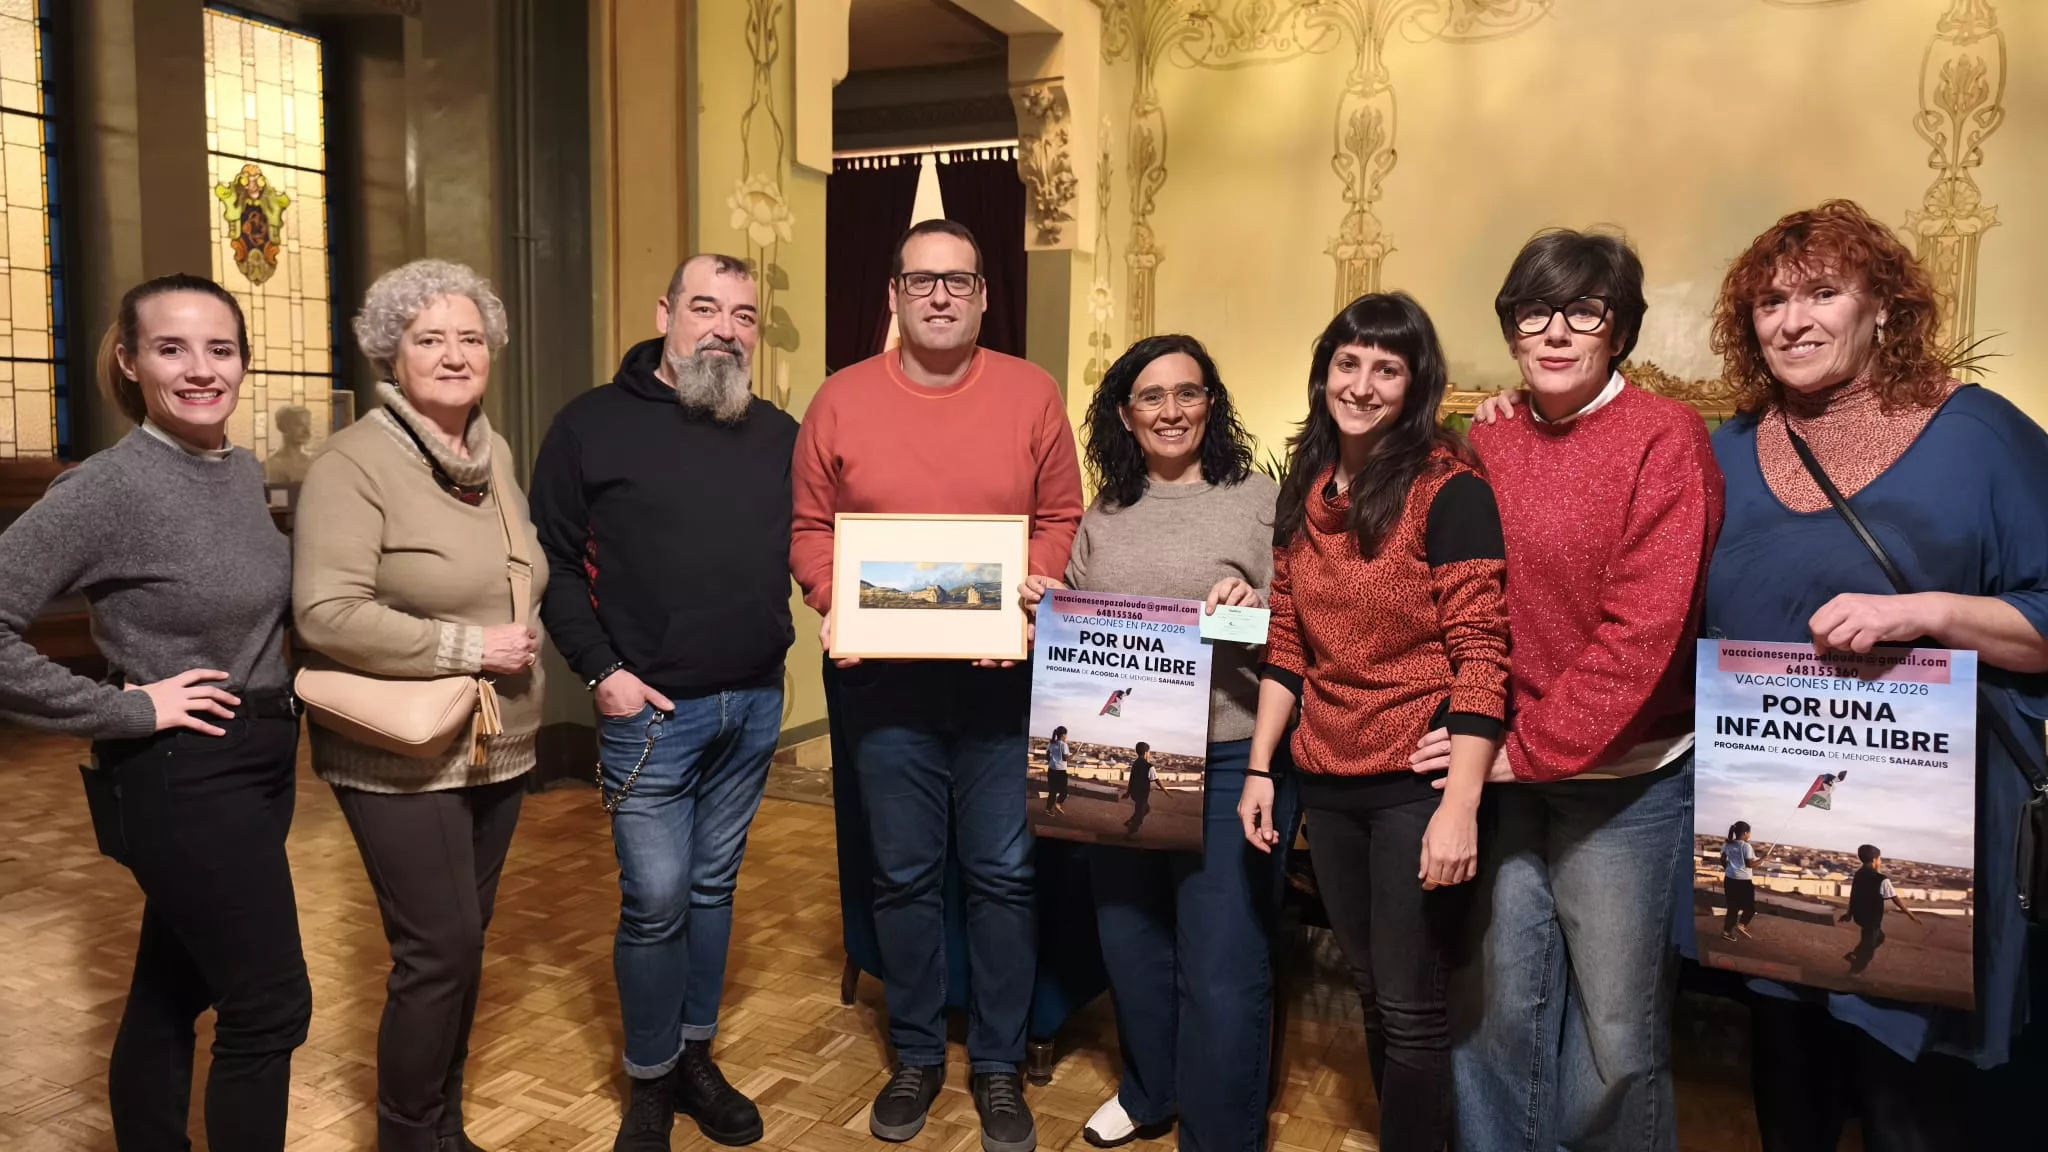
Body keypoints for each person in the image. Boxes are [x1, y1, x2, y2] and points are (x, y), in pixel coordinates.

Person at [1696, 198, 2048, 1148]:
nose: (1794, 320)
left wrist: (1923, 614)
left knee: (1910, 1103)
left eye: (1823, 292)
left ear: (1882, 307)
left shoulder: (1978, 437)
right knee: (1790, 1080)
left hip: (1934, 830)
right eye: (1771, 302)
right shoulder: (1724, 453)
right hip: (1776, 824)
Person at [1417, 229, 1724, 1151]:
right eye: (1533, 312)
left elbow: (1645, 637)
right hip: (1510, 776)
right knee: (1498, 1012)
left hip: (1625, 783)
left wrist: (1518, 755)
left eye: (1582, 311)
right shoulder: (1492, 437)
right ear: (1511, 329)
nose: (1555, 332)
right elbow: (1468, 596)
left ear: (1618, 328)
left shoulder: (1666, 439)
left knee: (1616, 1035)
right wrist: (1492, 753)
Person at [792, 219, 1083, 1152]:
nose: (942, 296)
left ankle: (996, 1066)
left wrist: (1029, 606)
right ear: (893, 296)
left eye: (959, 280)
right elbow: (808, 529)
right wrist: (838, 598)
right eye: (922, 282)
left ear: (985, 295)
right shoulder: (837, 400)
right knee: (905, 874)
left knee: (1002, 876)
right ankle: (918, 1052)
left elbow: (1061, 519)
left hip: (1004, 684)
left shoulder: (1033, 393)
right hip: (885, 687)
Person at [0, 274, 310, 1149]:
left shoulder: (240, 469)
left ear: (244, 362)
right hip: (178, 771)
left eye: (220, 348)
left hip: (256, 758)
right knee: (270, 1004)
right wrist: (123, 708)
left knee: (173, 985)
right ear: (131, 362)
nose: (201, 369)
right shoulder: (108, 487)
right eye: (172, 348)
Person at [530, 255, 798, 1149]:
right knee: (655, 898)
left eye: (745, 315)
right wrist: (601, 670)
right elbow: (554, 563)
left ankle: (693, 1057)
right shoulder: (589, 427)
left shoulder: (778, 433)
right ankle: (647, 1080)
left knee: (713, 888)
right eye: (706, 307)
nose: (726, 328)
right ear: (665, 313)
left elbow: (841, 537)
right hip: (649, 715)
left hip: (756, 702)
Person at [1239, 293, 1509, 1152]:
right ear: (1324, 373)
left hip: (1414, 783)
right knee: (1366, 984)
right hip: (1326, 770)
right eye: (1348, 363)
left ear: (1416, 383)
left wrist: (1459, 804)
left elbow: (1482, 653)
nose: (1362, 384)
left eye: (1386, 368)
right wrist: (1258, 768)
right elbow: (1288, 636)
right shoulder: (1308, 484)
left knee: (1411, 1006)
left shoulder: (1450, 492)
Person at [1017, 332, 1299, 1151]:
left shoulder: (1259, 499)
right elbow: (1089, 622)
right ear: (1124, 414)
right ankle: (1150, 1092)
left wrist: (1249, 601)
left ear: (1212, 404)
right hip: (1123, 754)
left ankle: (1220, 1132)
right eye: (1152, 396)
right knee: (1130, 938)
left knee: (1223, 956)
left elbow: (1302, 627)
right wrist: (1050, 602)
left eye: (1188, 392)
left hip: (1226, 757)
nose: (1171, 410)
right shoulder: (1105, 514)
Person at [292, 260, 544, 1152]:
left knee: (463, 949)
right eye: (428, 338)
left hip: (498, 742)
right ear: (388, 353)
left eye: (470, 338)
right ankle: (405, 1137)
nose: (453, 354)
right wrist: (472, 648)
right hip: (400, 753)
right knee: (435, 951)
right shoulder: (352, 463)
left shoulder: (492, 449)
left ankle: (445, 1126)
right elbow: (325, 614)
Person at [1841, 844, 1918, 975]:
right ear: (1875, 860)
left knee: (1879, 937)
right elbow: (1895, 899)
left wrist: (1849, 913)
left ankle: (1854, 955)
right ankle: (1854, 972)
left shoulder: (1859, 874)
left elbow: (1853, 894)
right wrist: (1910, 914)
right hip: (1872, 919)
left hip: (1860, 916)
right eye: (1880, 859)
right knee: (1869, 947)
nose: (1880, 861)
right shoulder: (1881, 879)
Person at [1722, 821, 1766, 941]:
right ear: (1746, 833)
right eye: (1749, 832)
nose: (1749, 834)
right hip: (1743, 882)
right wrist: (1763, 859)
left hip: (1729, 879)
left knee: (1732, 908)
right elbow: (1750, 864)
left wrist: (1730, 869)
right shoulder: (1746, 846)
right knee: (1750, 908)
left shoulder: (1728, 844)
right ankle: (1741, 926)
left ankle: (1726, 932)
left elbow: (1722, 860)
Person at [264, 403, 314, 484]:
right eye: (299, 425)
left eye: (308, 424)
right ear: (282, 427)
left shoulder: (312, 462)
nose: (307, 431)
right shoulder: (274, 463)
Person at [1124, 743, 1159, 838]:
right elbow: (1157, 780)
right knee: (1140, 814)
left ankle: (1130, 822)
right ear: (1146, 753)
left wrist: (1128, 792)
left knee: (1146, 809)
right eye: (1149, 752)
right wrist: (1165, 791)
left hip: (1135, 793)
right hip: (1142, 794)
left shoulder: (1136, 763)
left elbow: (1132, 778)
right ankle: (1130, 834)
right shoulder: (1148, 766)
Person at [1045, 725, 1071, 814]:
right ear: (1063, 735)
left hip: (1051, 770)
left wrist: (1052, 763)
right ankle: (1058, 804)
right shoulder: (1064, 745)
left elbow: (1047, 756)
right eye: (1066, 735)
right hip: (1061, 771)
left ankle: (1048, 809)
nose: (1066, 736)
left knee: (1052, 791)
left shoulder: (1051, 743)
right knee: (1064, 792)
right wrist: (1073, 755)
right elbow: (1065, 759)